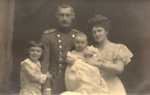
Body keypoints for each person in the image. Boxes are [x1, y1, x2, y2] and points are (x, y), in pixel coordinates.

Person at [86, 14, 133, 95]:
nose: (97, 34)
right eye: (94, 32)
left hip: (113, 87)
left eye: (99, 30)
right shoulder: (91, 50)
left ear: (106, 31)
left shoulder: (117, 48)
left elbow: (119, 69)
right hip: (96, 87)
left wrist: (97, 64)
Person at [40, 3, 80, 95]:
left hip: (73, 84)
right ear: (56, 15)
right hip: (53, 83)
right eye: (62, 15)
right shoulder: (47, 36)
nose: (65, 18)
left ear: (73, 16)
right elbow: (44, 64)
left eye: (68, 15)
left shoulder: (79, 37)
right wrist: (46, 88)